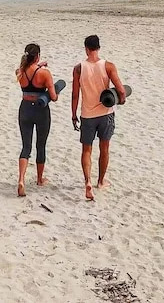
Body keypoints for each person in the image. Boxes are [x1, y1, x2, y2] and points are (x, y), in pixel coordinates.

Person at [71, 35, 126, 201]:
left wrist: (73, 114)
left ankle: (87, 181)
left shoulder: (79, 68)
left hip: (87, 115)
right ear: (99, 48)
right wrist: (121, 99)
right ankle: (100, 181)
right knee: (105, 148)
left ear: (86, 48)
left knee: (86, 150)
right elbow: (121, 90)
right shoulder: (108, 66)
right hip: (106, 114)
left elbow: (75, 95)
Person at [15, 43, 58, 197]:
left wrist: (37, 64)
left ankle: (21, 179)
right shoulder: (45, 74)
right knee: (41, 145)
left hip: (25, 108)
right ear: (38, 56)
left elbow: (27, 70)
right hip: (40, 110)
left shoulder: (19, 72)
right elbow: (53, 97)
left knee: (26, 146)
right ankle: (39, 179)